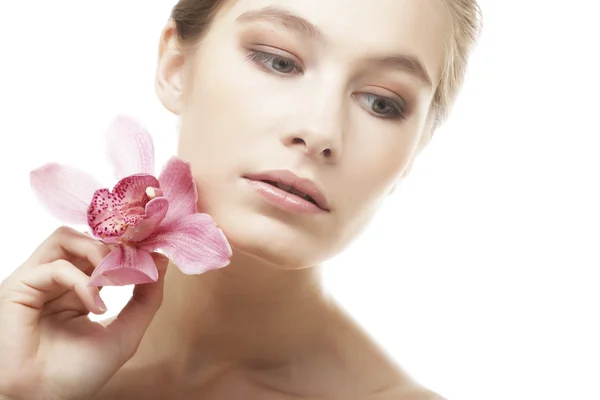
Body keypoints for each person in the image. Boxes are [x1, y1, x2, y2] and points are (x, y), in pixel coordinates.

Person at [0, 0, 482, 398]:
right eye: (279, 60)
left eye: (382, 102)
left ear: (417, 151)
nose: (319, 132)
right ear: (176, 68)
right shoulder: (24, 365)